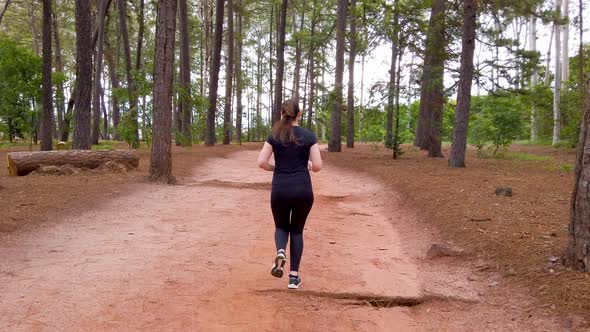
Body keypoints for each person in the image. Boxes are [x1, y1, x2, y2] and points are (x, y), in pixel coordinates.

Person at [257, 99, 323, 289]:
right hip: (303, 189)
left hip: (280, 189)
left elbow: (261, 162)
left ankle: (280, 251)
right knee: (297, 231)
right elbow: (318, 166)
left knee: (281, 227)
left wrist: (276, 168)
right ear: (299, 114)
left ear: (281, 113)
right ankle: (294, 278)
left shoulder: (274, 135)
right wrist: (308, 166)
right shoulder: (309, 136)